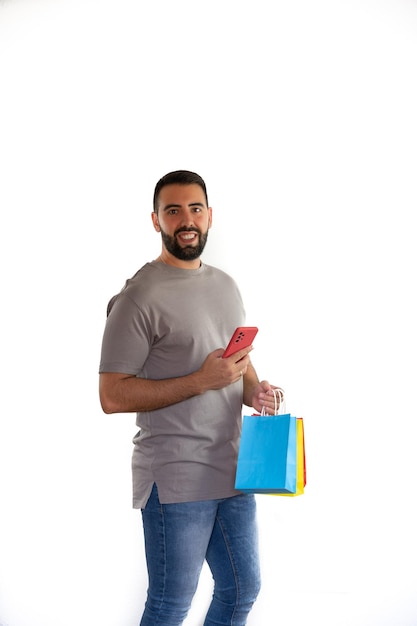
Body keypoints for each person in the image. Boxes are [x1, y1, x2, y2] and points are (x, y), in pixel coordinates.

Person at [99, 170, 282, 626]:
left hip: (234, 469)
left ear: (210, 216)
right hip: (177, 476)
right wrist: (200, 381)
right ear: (156, 220)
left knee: (242, 589)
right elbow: (111, 395)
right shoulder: (138, 297)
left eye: (195, 209)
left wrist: (254, 389)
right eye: (173, 210)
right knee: (170, 604)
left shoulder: (225, 284)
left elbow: (235, 360)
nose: (186, 220)